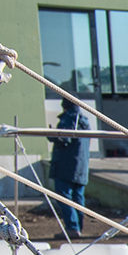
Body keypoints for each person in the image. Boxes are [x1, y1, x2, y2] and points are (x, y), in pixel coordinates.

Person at [47, 96, 92, 237]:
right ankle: (78, 226)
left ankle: (72, 227)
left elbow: (63, 139)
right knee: (78, 198)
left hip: (66, 166)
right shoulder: (85, 121)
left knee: (64, 196)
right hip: (81, 166)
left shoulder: (68, 118)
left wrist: (51, 134)